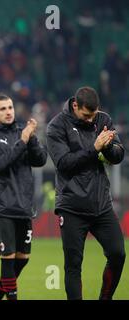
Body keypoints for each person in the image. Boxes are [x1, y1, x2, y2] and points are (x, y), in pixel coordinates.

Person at [46, 86, 126, 300]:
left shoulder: (103, 119)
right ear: (75, 106)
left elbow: (118, 155)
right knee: (73, 265)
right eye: (86, 115)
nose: (91, 120)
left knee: (118, 254)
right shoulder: (56, 126)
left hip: (101, 203)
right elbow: (64, 164)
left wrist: (109, 148)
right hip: (71, 206)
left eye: (94, 114)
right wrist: (95, 148)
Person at [0, 94, 47, 300]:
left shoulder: (22, 132)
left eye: (10, 107)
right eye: (2, 109)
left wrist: (32, 137)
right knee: (8, 259)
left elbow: (40, 160)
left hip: (24, 206)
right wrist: (23, 140)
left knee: (23, 258)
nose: (8, 112)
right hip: (3, 206)